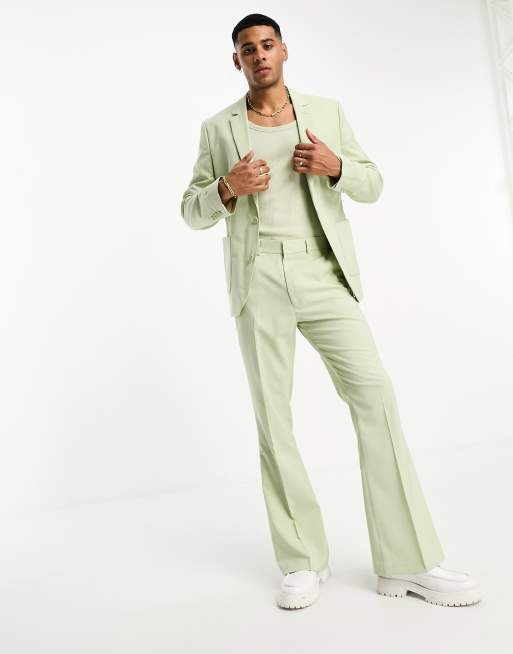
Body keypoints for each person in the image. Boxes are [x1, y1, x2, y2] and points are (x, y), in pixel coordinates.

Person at [180, 13, 482, 610]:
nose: (259, 55)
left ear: (284, 50)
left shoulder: (325, 112)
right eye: (248, 49)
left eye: (268, 44)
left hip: (323, 271)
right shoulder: (218, 128)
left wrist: (335, 167)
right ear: (236, 61)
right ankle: (302, 559)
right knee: (274, 418)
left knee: (375, 395)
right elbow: (191, 209)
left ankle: (407, 561)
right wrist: (226, 188)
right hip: (258, 278)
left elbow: (373, 183)